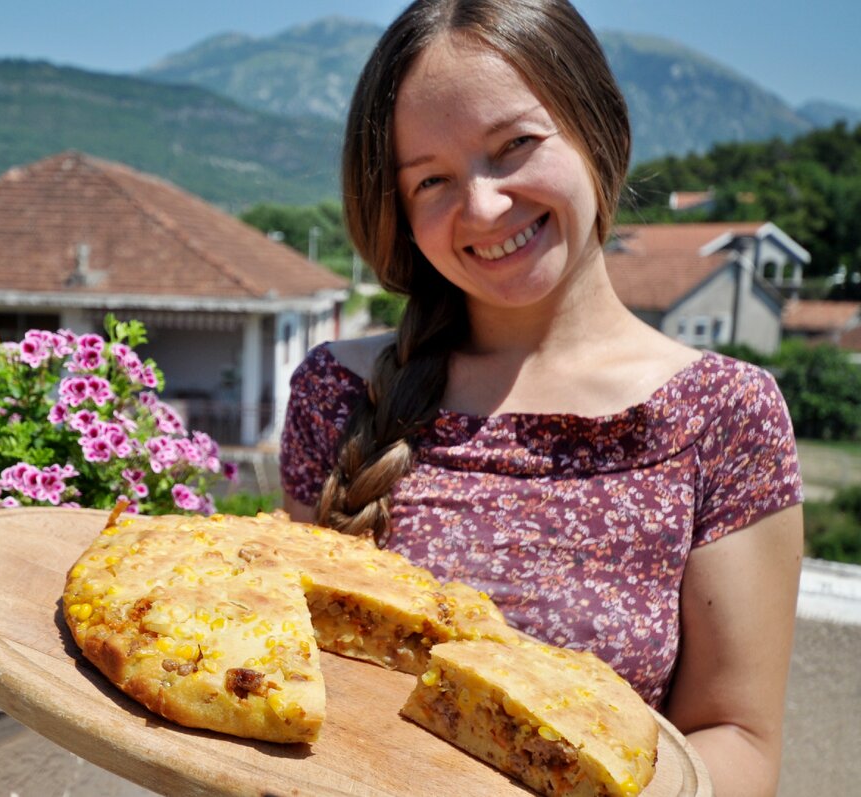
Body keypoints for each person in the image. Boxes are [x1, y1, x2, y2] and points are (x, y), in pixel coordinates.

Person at [278, 1, 804, 795]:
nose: (484, 208)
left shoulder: (724, 416)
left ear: (598, 127)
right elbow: (283, 670)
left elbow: (736, 742)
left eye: (515, 146)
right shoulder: (338, 392)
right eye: (432, 180)